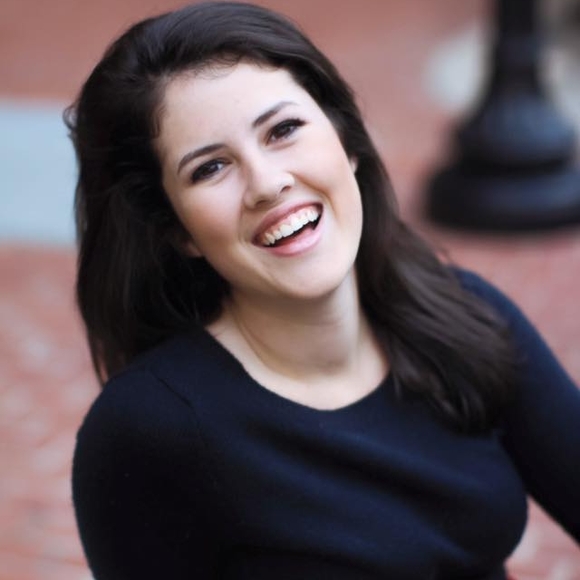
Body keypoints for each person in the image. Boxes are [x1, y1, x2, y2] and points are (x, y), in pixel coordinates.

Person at [66, 2, 580, 579]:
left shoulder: (465, 316)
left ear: (347, 141)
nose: (267, 184)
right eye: (210, 168)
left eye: (283, 131)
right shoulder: (149, 431)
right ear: (177, 229)